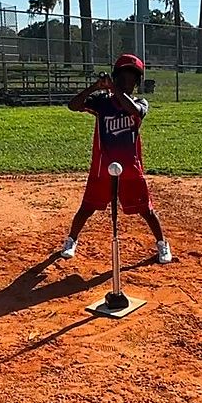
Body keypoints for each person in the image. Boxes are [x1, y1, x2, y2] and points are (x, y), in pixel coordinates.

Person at [59, 53, 172, 265]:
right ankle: (71, 240)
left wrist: (114, 89)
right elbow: (73, 105)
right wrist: (95, 87)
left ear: (136, 82)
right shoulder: (102, 102)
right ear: (116, 77)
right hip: (103, 167)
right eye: (122, 78)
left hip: (130, 168)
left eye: (131, 79)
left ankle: (162, 244)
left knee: (146, 210)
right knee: (87, 207)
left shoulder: (140, 102)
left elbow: (133, 110)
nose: (127, 82)